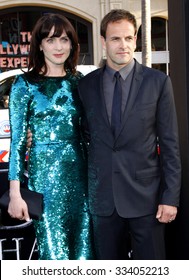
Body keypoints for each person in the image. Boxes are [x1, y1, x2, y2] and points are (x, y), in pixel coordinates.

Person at [78, 9, 181, 260]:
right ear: (103, 42)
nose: (123, 45)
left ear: (135, 39)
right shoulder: (85, 85)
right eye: (115, 39)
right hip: (103, 201)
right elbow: (81, 135)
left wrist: (170, 198)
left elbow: (169, 145)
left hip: (147, 200)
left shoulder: (157, 82)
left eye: (128, 38)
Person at [8, 13, 94, 260]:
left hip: (82, 179)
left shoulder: (80, 82)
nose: (59, 47)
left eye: (65, 40)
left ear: (73, 44)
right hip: (44, 182)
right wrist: (16, 193)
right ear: (40, 44)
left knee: (85, 254)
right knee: (54, 256)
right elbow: (17, 143)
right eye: (52, 40)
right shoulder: (23, 84)